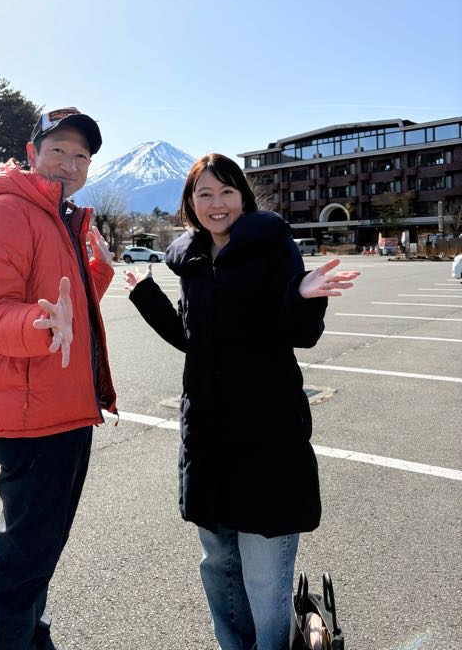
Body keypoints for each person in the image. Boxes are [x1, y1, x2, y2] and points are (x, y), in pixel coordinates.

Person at [124, 153, 359, 650]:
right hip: (208, 436)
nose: (217, 203)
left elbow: (300, 334)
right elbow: (191, 338)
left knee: (265, 574)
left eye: (226, 191)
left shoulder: (271, 246)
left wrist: (304, 296)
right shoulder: (191, 260)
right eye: (204, 193)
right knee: (221, 566)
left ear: (243, 198)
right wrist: (145, 293)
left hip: (266, 435)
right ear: (190, 203)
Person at [0, 107, 117, 650]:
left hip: (63, 411)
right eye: (58, 151)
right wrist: (36, 323)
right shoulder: (6, 211)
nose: (69, 164)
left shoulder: (57, 215)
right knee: (23, 563)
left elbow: (62, 312)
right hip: (33, 420)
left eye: (81, 156)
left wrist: (96, 274)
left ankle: (32, 638)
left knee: (40, 555)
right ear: (32, 154)